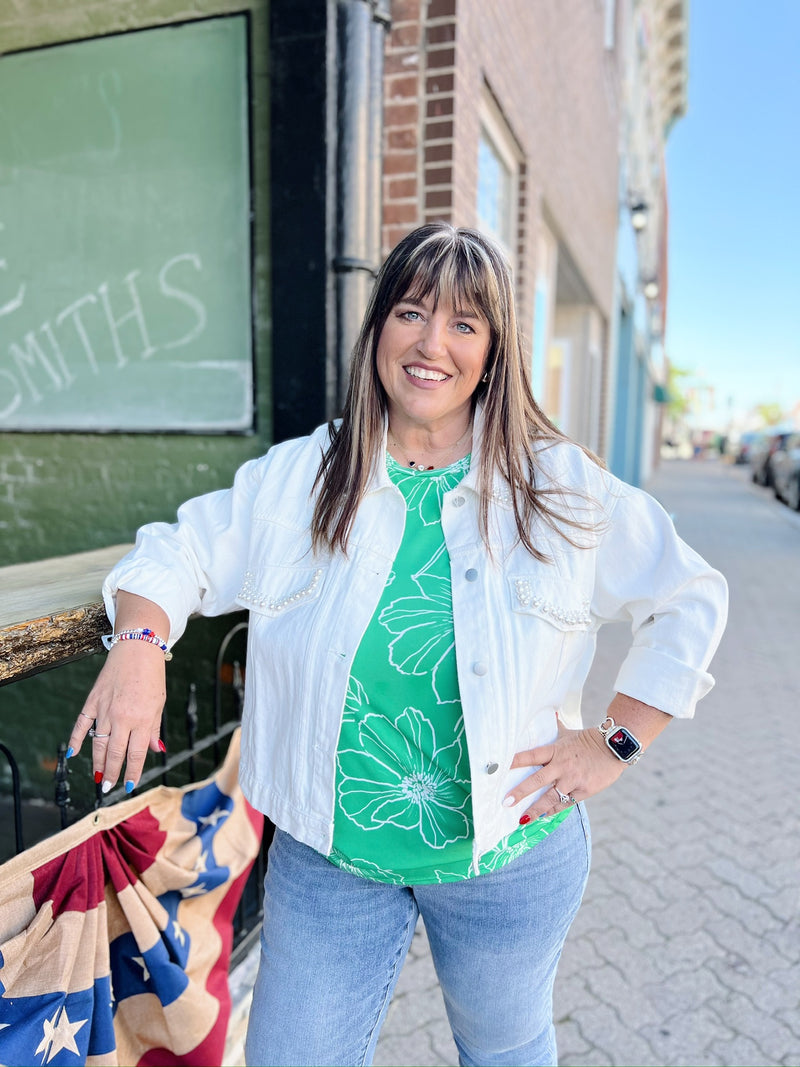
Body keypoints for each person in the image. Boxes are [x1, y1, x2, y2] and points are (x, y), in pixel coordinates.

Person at [68, 223, 727, 1067]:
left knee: (505, 1049)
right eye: (412, 312)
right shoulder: (305, 475)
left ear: (494, 351)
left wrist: (615, 742)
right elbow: (177, 551)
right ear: (378, 327)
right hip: (331, 858)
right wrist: (138, 647)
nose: (431, 344)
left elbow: (688, 595)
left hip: (507, 854)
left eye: (463, 324)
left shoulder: (555, 485)